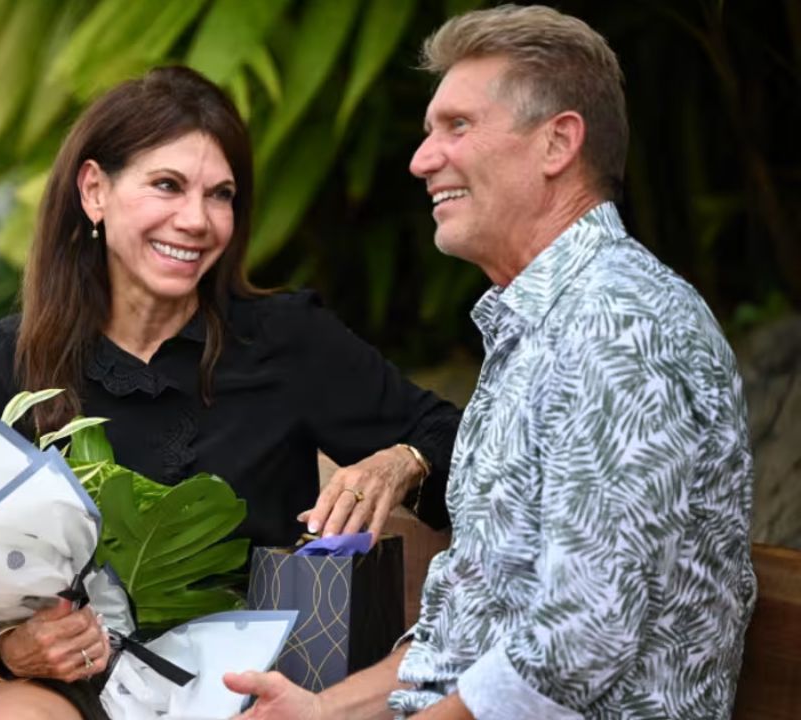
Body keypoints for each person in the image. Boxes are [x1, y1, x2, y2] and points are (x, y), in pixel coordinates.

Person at [224, 5, 757, 719]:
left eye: (458, 127)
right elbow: (471, 627)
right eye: (427, 132)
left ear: (557, 143)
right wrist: (322, 714)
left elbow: (576, 648)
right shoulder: (540, 327)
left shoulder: (621, 325)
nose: (420, 159)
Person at [0, 66, 462, 719]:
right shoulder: (6, 364)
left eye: (221, 195)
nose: (196, 220)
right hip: (79, 693)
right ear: (94, 190)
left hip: (259, 690)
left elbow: (465, 445)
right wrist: (15, 651)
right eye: (167, 185)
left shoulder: (286, 340)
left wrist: (402, 459)